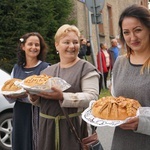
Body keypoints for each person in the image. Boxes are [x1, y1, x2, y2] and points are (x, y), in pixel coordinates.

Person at [29, 24, 100, 150]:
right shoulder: (47, 72)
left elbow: (92, 97)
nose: (72, 46)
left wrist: (63, 96)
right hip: (47, 129)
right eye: (66, 42)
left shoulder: (86, 69)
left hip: (73, 128)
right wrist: (34, 97)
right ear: (57, 45)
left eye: (75, 42)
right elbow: (42, 102)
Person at [111, 4, 150, 150]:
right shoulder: (120, 62)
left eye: (138, 30)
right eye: (126, 32)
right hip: (122, 142)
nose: (132, 37)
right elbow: (115, 100)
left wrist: (142, 123)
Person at [3, 32, 50, 150]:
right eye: (30, 44)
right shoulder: (16, 68)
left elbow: (48, 92)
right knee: (20, 142)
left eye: (37, 45)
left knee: (36, 143)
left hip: (37, 112)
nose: (34, 47)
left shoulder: (45, 68)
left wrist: (32, 93)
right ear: (23, 47)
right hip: (20, 112)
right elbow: (11, 90)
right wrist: (11, 94)